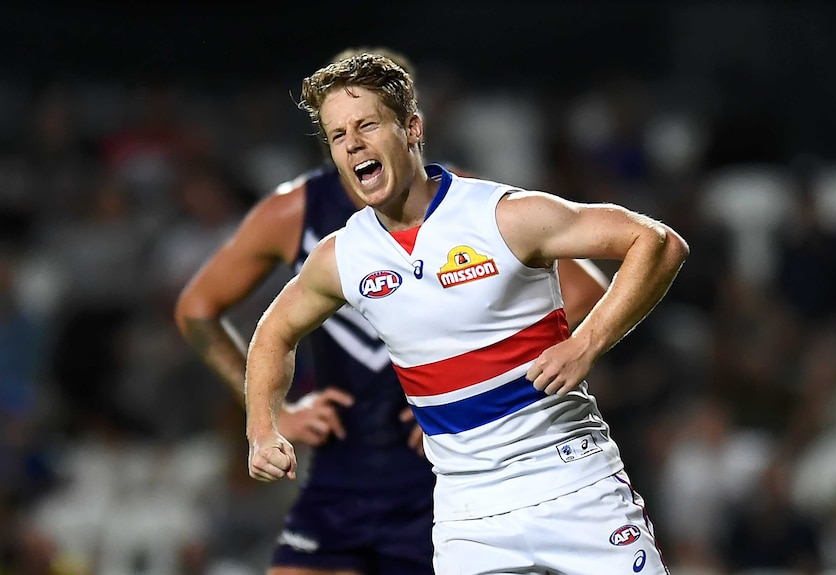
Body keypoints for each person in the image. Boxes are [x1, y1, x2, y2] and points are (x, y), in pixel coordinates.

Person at [244, 53, 689, 574]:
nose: (353, 144)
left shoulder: (503, 216)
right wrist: (261, 429)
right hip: (469, 518)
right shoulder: (341, 257)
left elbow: (657, 241)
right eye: (338, 135)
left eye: (366, 125)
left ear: (412, 128)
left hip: (574, 489)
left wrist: (587, 342)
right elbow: (273, 333)